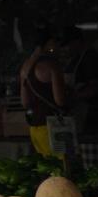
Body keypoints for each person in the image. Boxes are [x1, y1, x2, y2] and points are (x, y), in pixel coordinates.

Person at [20, 27, 67, 156]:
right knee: (62, 171)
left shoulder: (25, 67)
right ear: (49, 43)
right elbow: (60, 100)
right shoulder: (52, 66)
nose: (58, 46)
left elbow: (25, 102)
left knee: (47, 169)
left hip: (35, 128)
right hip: (53, 127)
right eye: (56, 42)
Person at [60, 26, 98, 134]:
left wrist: (71, 97)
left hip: (90, 115)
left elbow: (95, 87)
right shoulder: (74, 60)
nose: (66, 48)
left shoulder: (92, 58)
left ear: (77, 42)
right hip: (76, 114)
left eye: (68, 45)